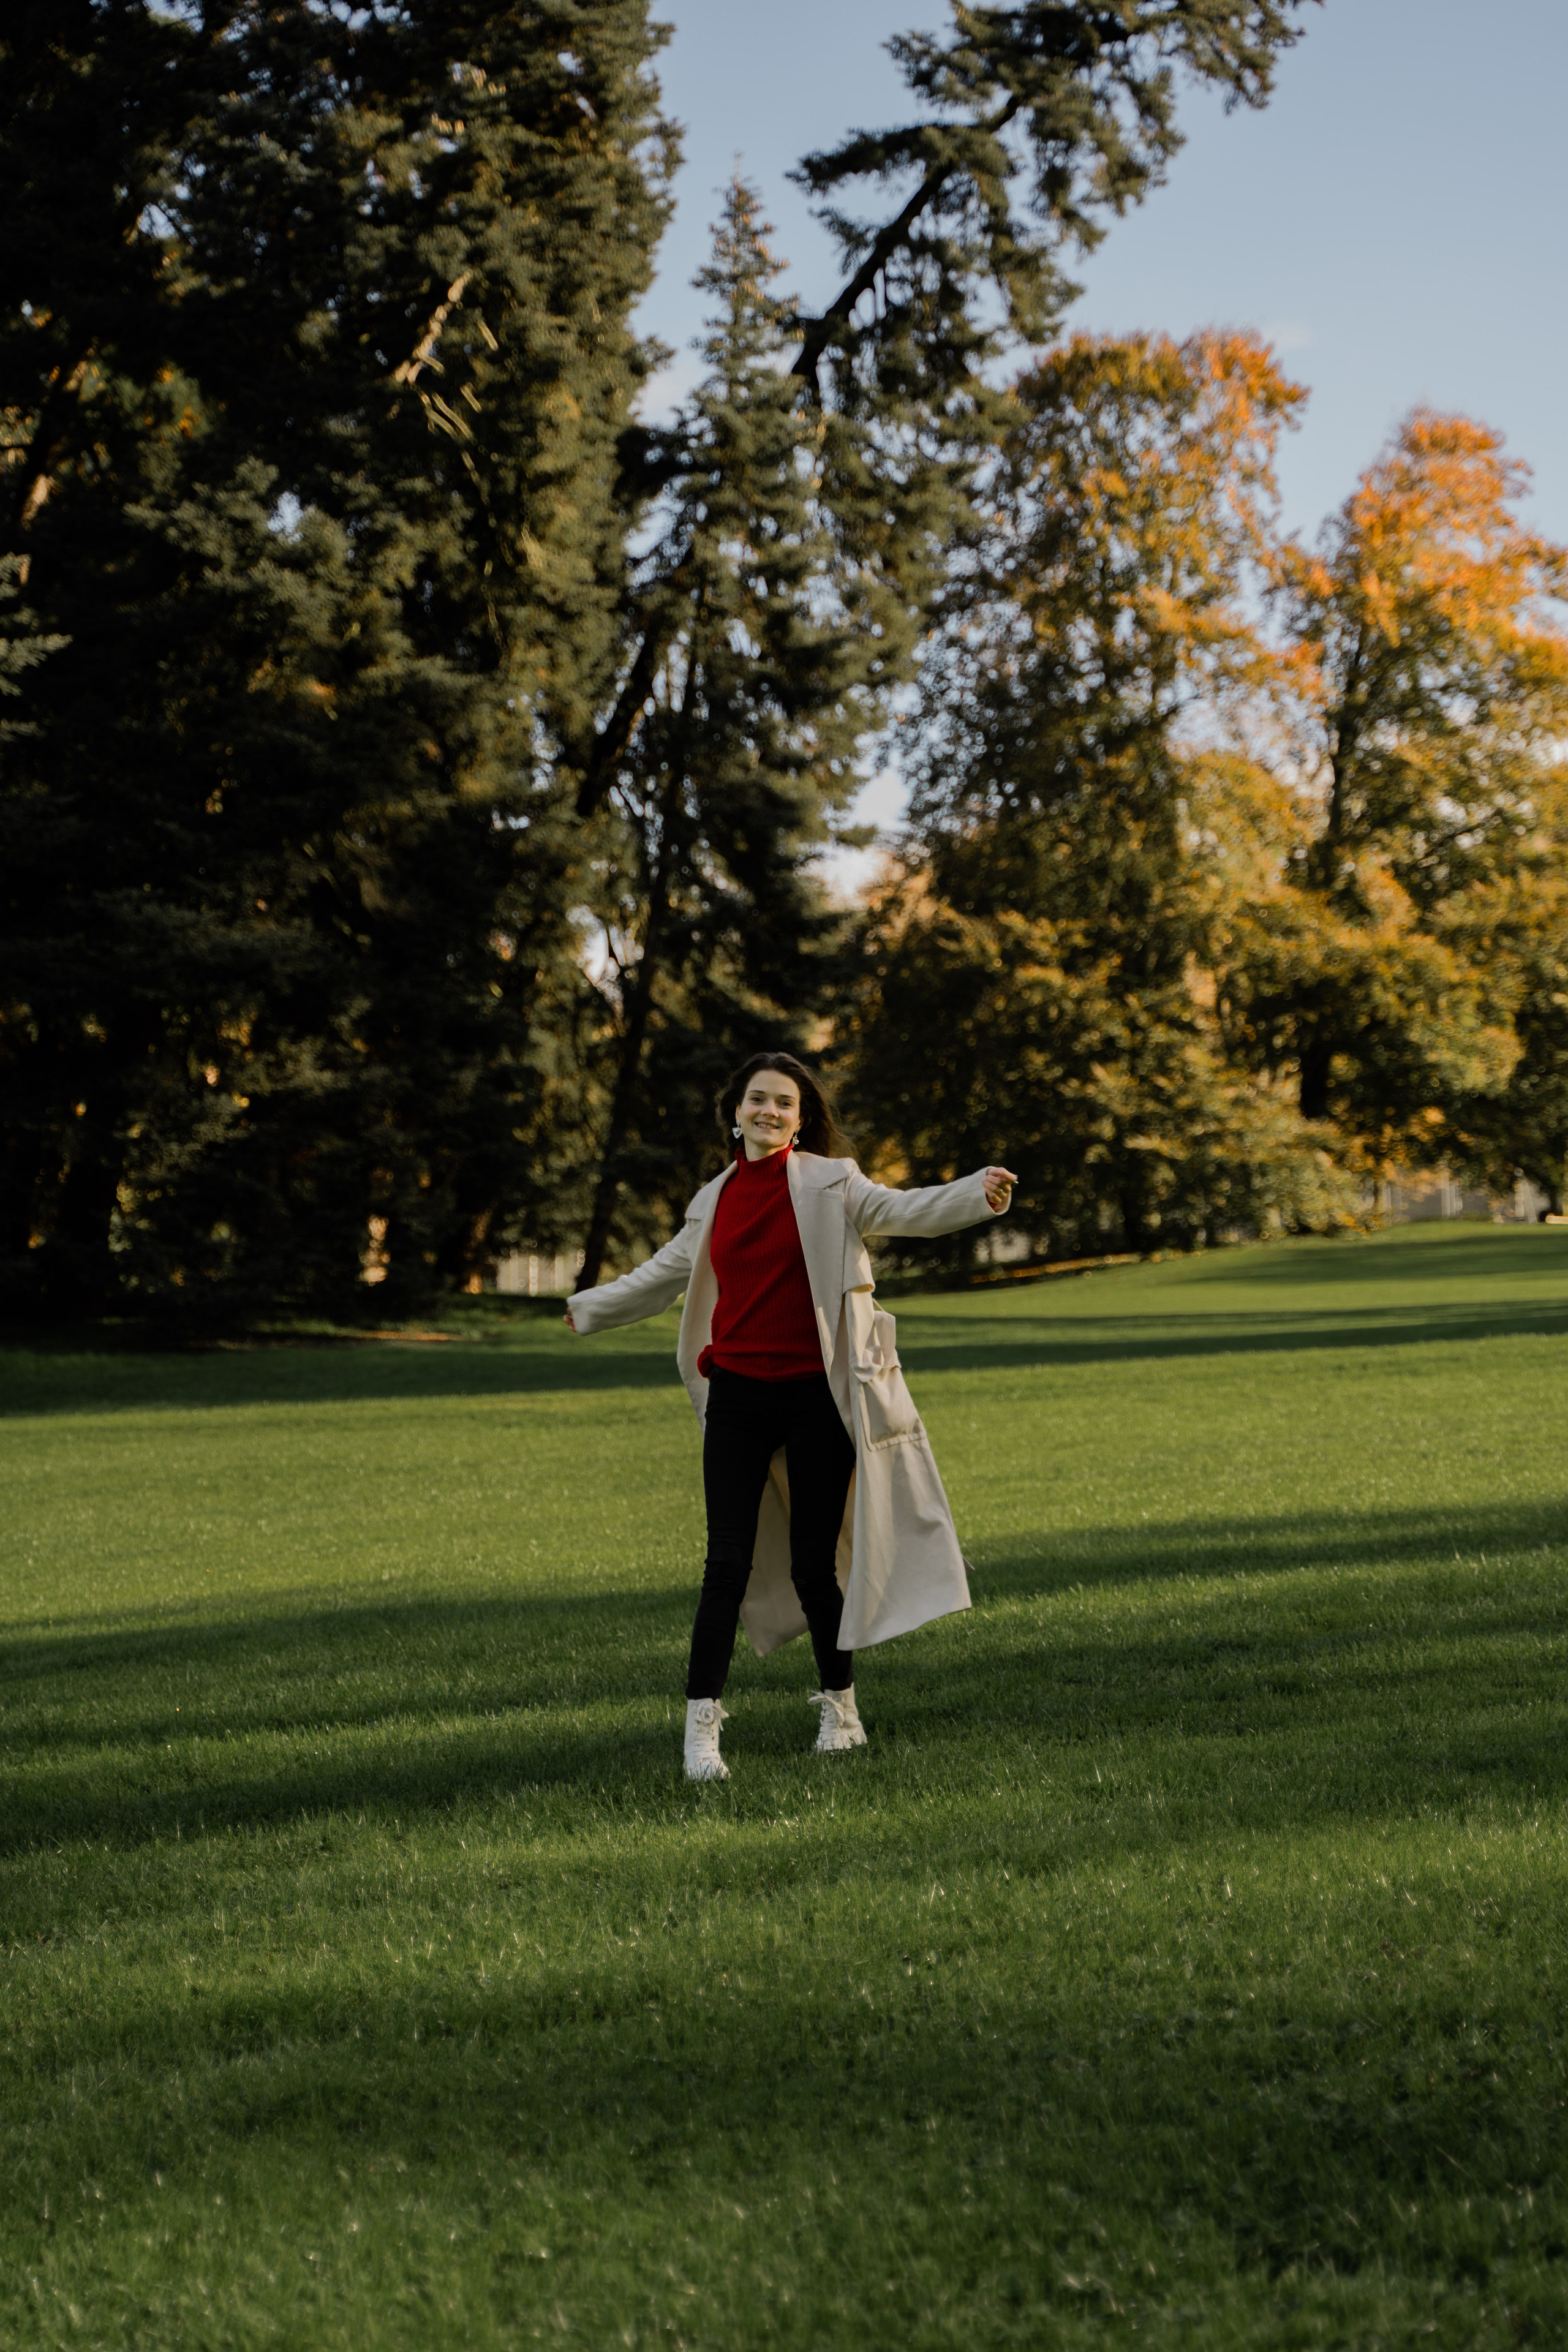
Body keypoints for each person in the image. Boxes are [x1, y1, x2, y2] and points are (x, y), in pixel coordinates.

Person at [565, 1052, 1016, 1781]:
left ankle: (841, 1712)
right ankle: (700, 1735)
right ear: (735, 1111)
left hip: (816, 1397)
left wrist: (977, 1194)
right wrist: (585, 1310)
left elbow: (903, 1209)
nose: (769, 1112)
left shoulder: (833, 1184)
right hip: (738, 1398)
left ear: (802, 1120)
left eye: (784, 1103)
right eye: (757, 1100)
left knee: (814, 1563)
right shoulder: (712, 1201)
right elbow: (660, 1276)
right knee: (726, 1565)